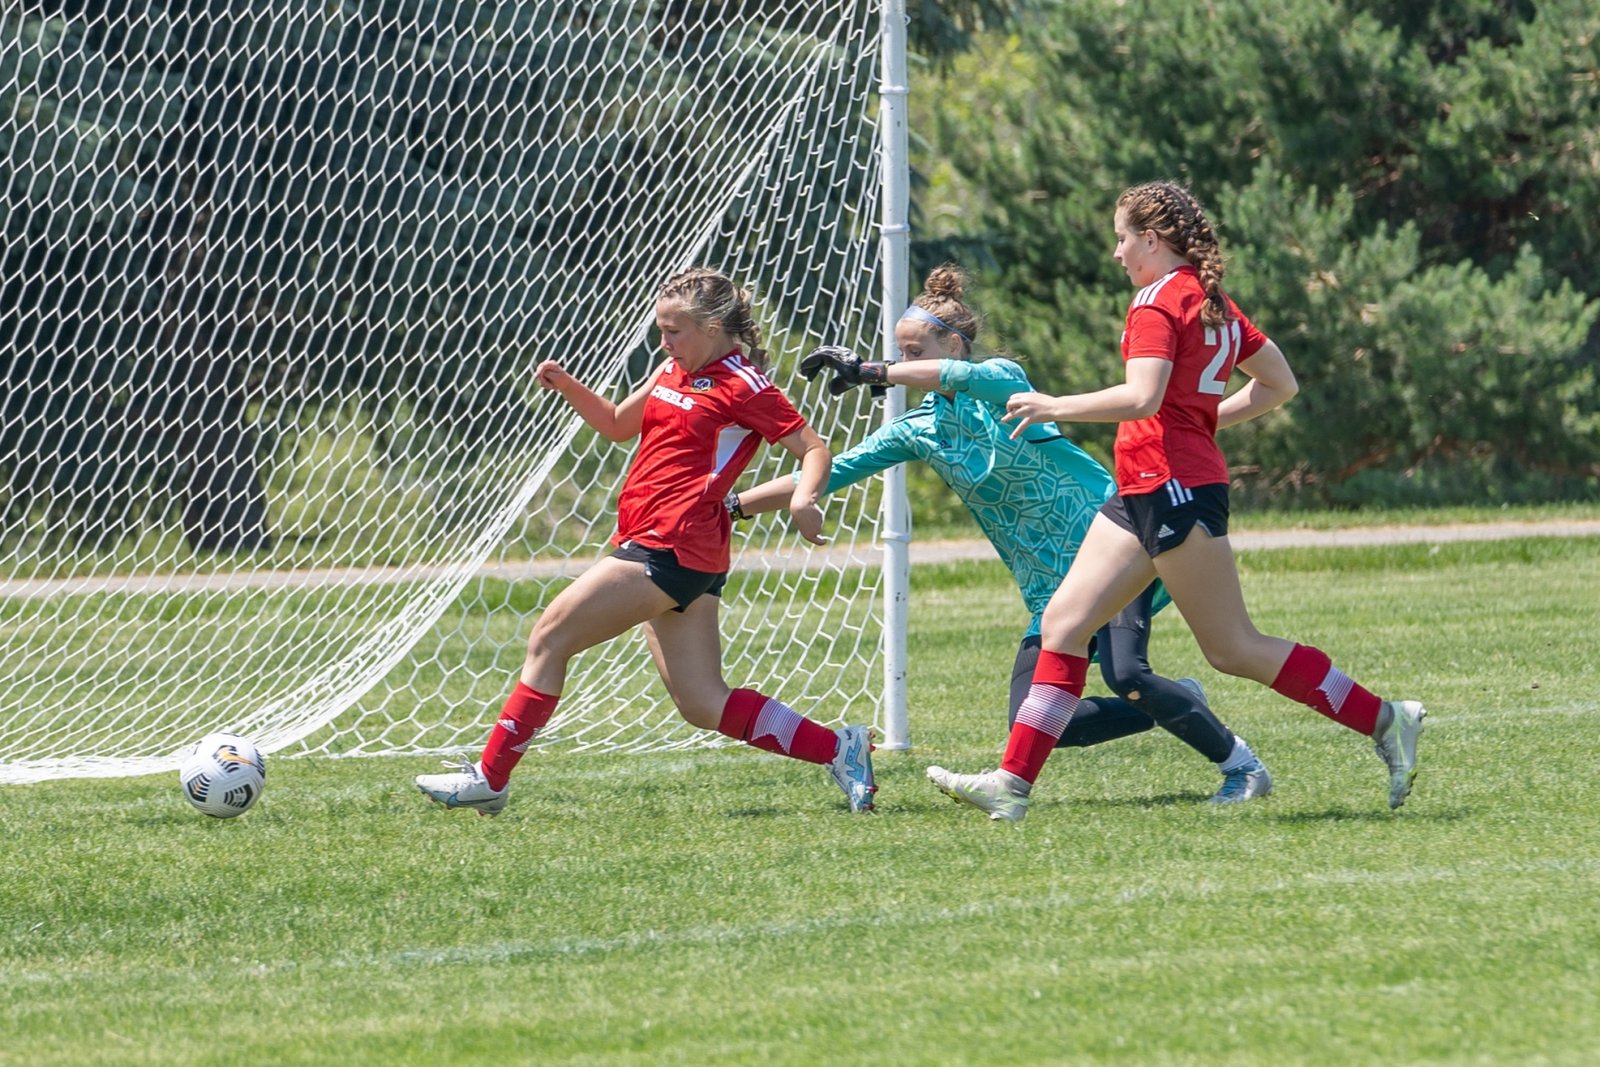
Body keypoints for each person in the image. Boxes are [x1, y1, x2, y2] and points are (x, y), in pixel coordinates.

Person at [921, 181, 1426, 822]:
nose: (1117, 252)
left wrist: (1056, 405)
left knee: (1233, 647)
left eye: (1122, 238)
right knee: (1064, 625)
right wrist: (1200, 422)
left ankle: (1384, 718)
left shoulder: (1156, 300)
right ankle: (1011, 785)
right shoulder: (1210, 300)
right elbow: (1278, 384)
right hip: (1145, 485)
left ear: (1152, 240)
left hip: (1172, 487)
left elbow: (1143, 397)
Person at [736, 265, 1272, 805]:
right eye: (900, 353)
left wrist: (875, 371)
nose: (905, 363)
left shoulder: (1001, 380)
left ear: (954, 345)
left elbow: (962, 378)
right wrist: (732, 506)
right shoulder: (918, 429)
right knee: (1036, 721)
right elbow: (829, 473)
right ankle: (1174, 700)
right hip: (1047, 586)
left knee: (1126, 673)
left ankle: (1242, 768)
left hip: (1110, 546)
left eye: (916, 352)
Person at [415, 267, 877, 815]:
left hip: (671, 545)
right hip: (674, 549)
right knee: (703, 703)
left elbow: (814, 449)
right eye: (661, 330)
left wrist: (804, 499)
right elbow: (616, 423)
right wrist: (567, 384)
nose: (664, 341)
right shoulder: (671, 370)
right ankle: (839, 749)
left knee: (549, 637)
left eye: (673, 331)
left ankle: (490, 779)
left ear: (712, 328)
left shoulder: (744, 384)